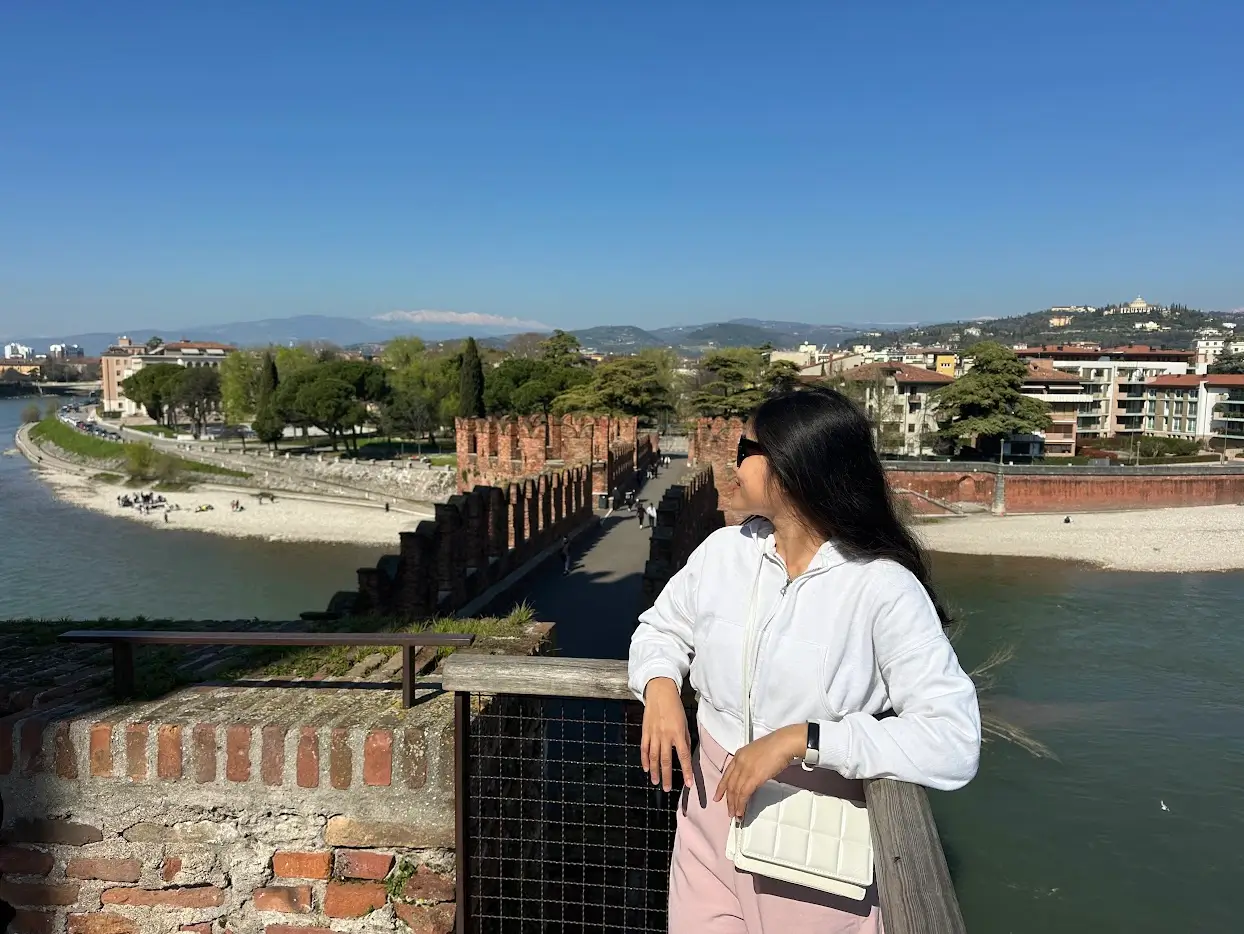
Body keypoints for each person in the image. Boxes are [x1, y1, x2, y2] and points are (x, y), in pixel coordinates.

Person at [629, 386, 980, 933]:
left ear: (790, 466)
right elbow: (660, 627)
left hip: (811, 850)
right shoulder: (724, 553)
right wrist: (659, 686)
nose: (734, 460)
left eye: (747, 448)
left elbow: (954, 740)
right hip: (705, 827)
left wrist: (805, 739)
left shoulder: (882, 588)